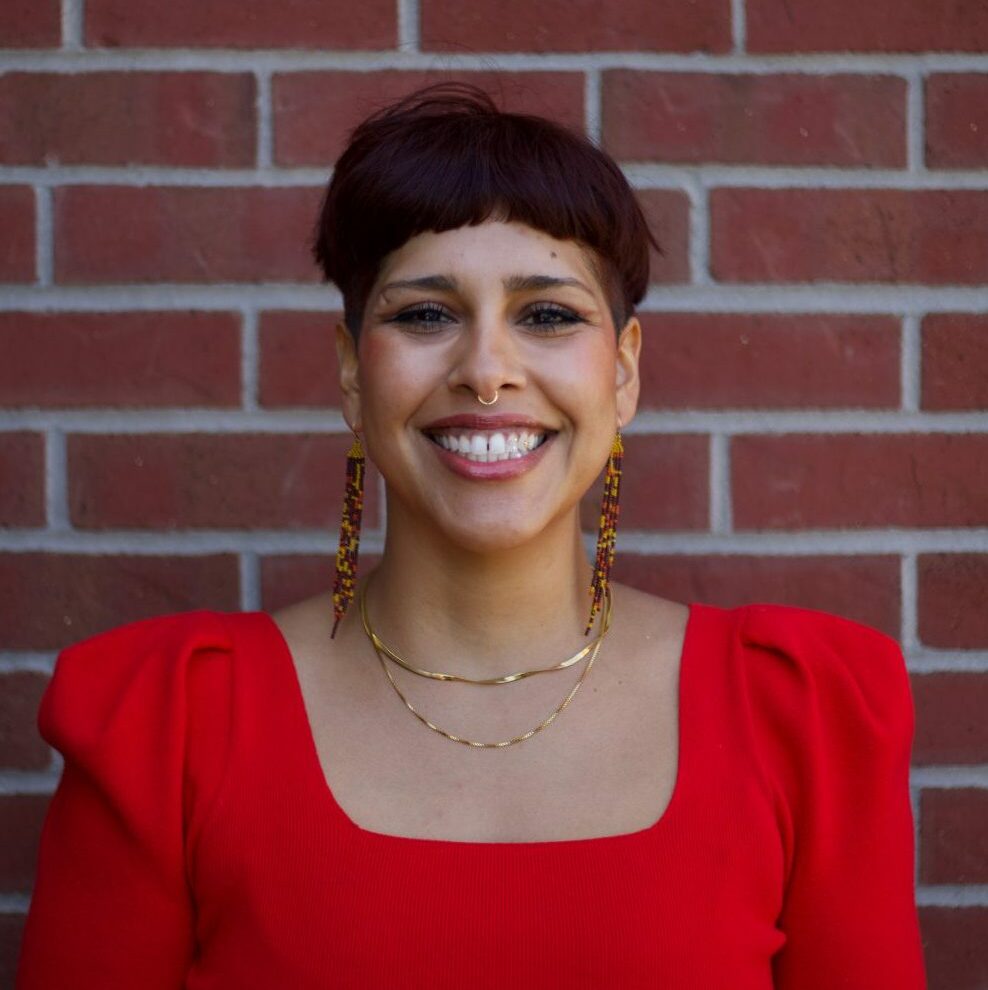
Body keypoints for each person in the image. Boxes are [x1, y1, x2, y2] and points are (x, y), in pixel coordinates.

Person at [17, 83, 926, 988]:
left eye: (548, 315)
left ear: (623, 373)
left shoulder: (803, 716)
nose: (487, 371)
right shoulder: (168, 727)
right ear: (349, 373)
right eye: (425, 314)